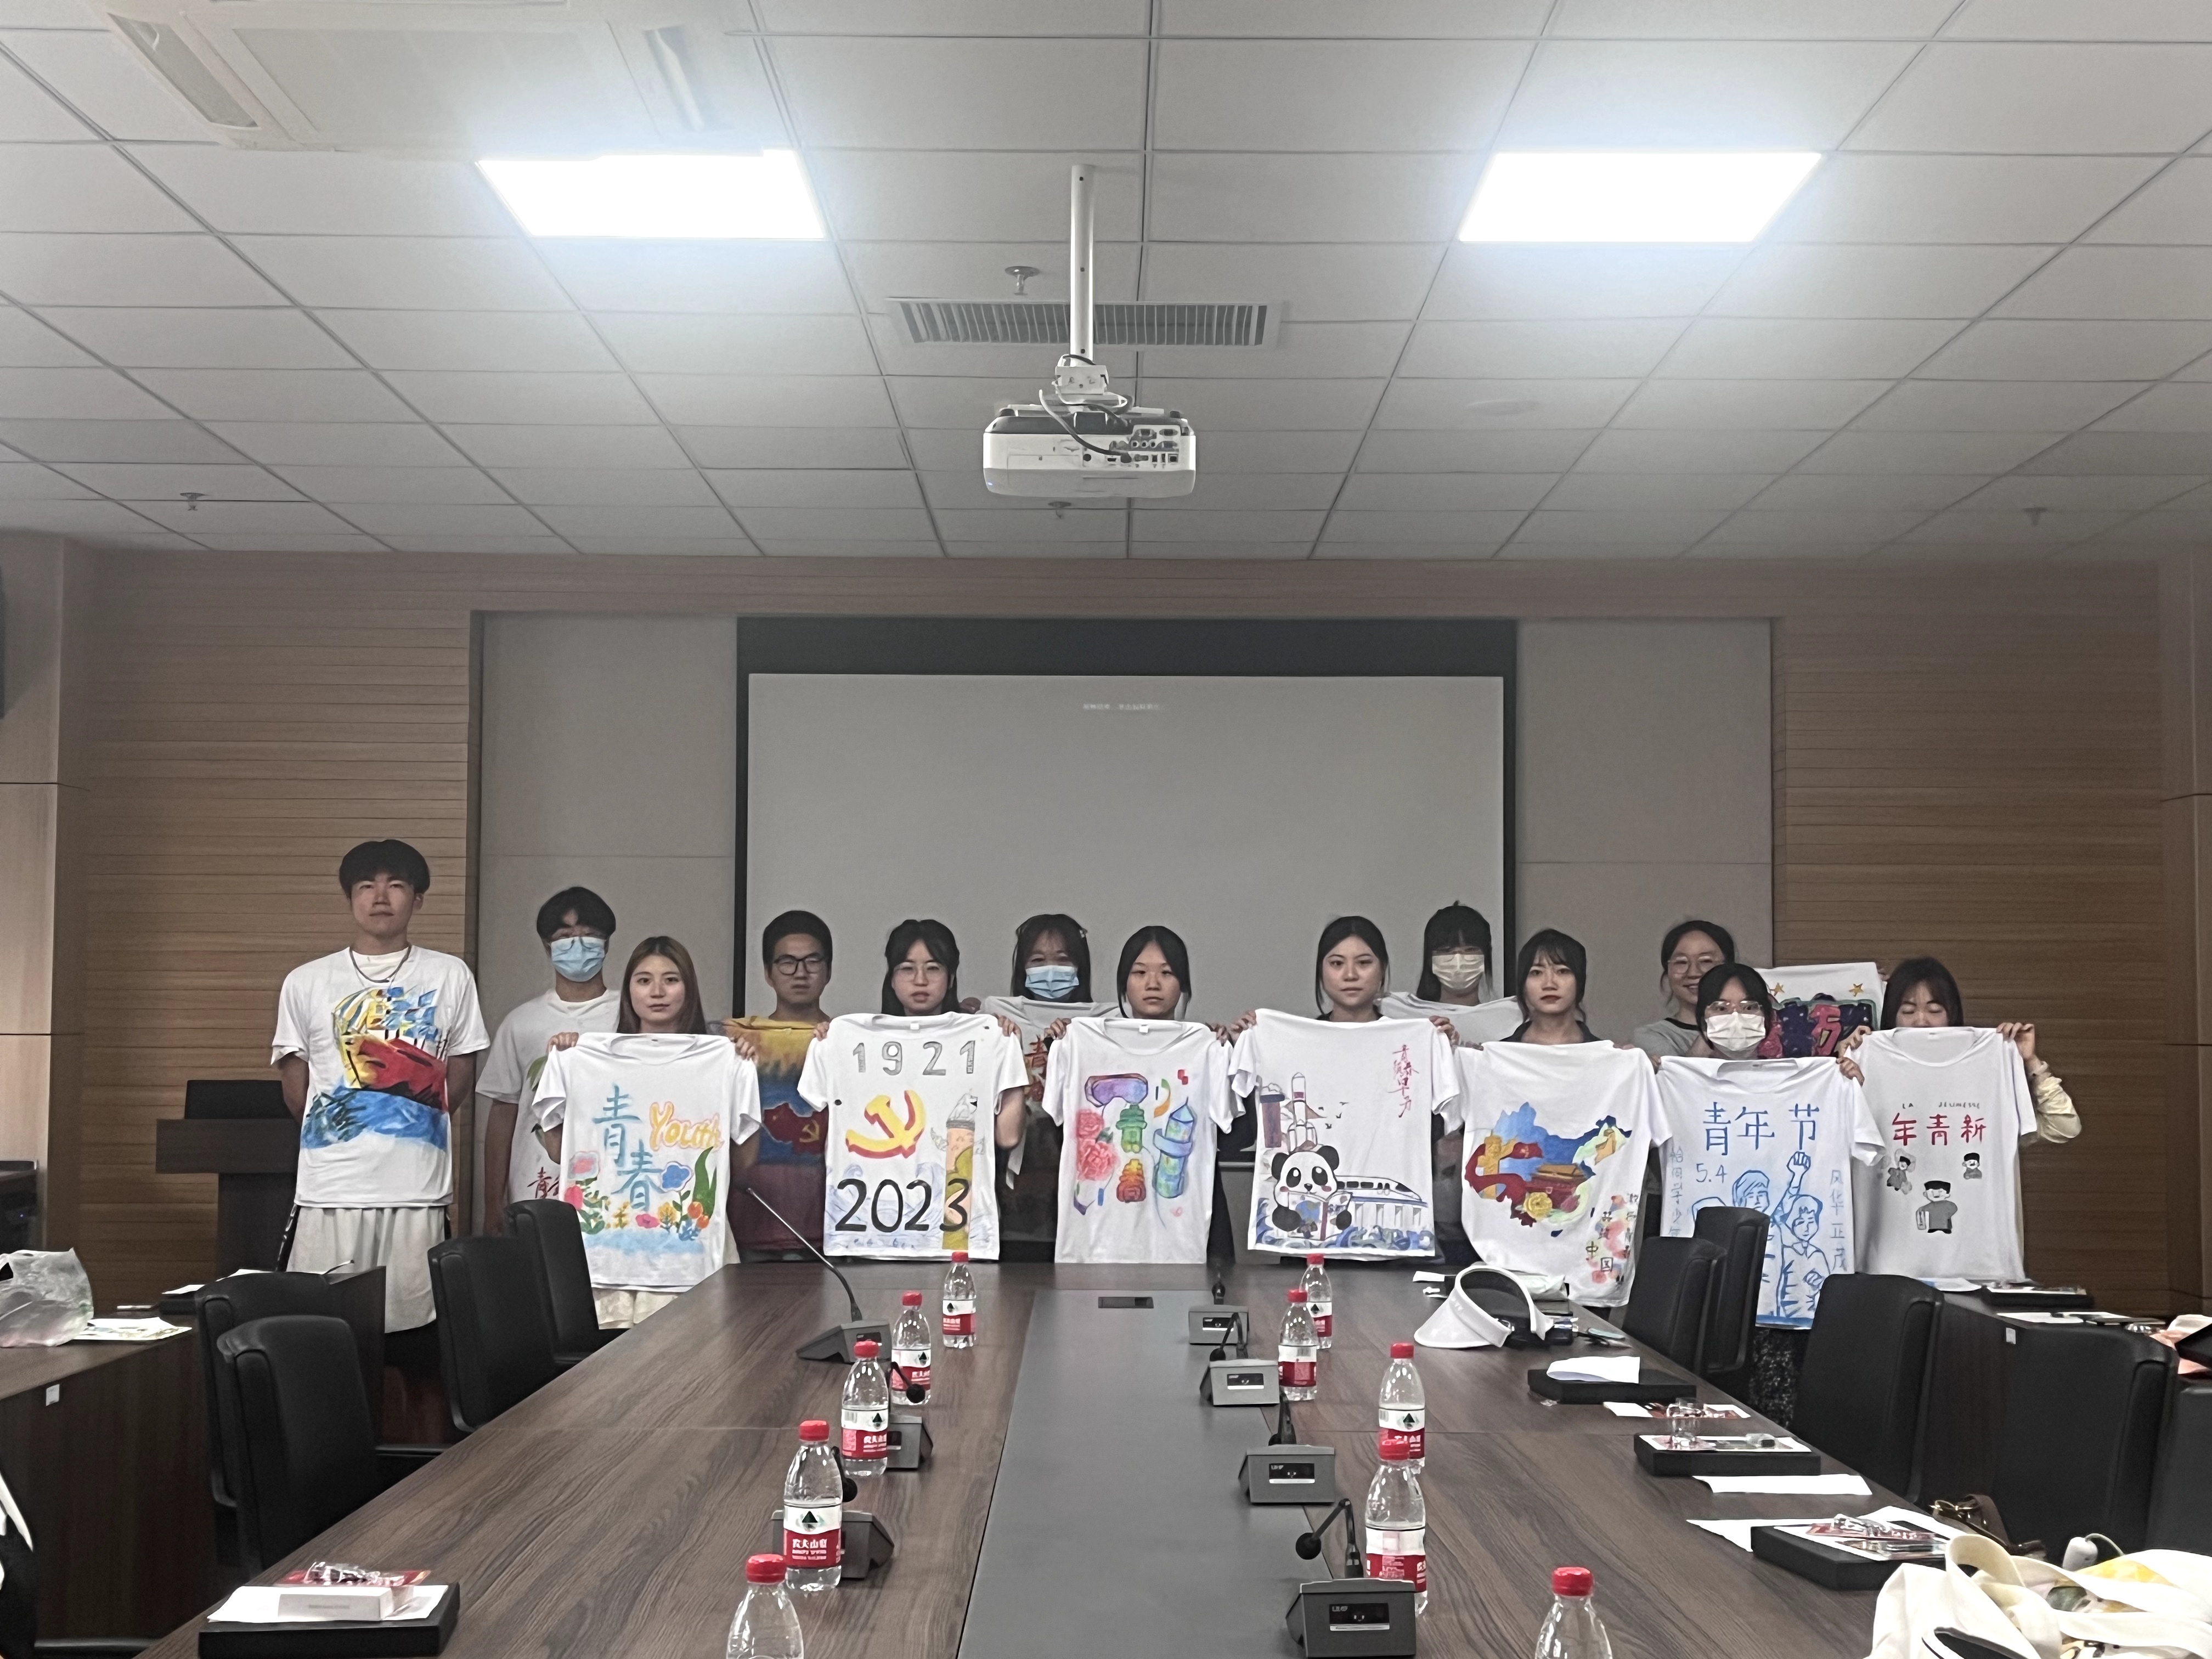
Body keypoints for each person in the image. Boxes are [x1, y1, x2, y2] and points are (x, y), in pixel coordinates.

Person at [271, 838, 490, 1426]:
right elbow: (296, 1086)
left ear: (418, 899)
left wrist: (417, 1123)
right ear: (350, 898)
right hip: (329, 1193)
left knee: (418, 1347)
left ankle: (421, 1461)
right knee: (324, 1342)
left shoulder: (449, 975)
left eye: (396, 885)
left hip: (416, 1190)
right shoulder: (307, 982)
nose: (381, 896)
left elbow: (461, 1071)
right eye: (367, 885)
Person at [538, 934, 756, 1328]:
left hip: (692, 1257)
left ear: (689, 988)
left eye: (671, 980)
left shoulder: (722, 1058)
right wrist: (567, 1061)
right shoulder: (586, 1057)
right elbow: (558, 1151)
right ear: (629, 991)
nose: (657, 992)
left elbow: (743, 1163)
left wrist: (741, 1066)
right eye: (643, 980)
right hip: (607, 1261)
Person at [478, 887, 619, 1234]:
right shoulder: (520, 1022)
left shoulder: (629, 1015)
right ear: (547, 946)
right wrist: (493, 1202)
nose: (578, 945)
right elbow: (504, 1113)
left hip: (615, 1188)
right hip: (536, 1188)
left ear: (606, 944)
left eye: (589, 935)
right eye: (565, 937)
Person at [981, 914, 1113, 1257]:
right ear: (1022, 968)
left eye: (1063, 960)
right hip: (1010, 1186)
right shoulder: (997, 1017)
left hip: (1083, 1184)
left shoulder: (1106, 1023)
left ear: (1081, 966)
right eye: (1037, 961)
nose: (1050, 971)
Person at [1847, 955, 2080, 1143]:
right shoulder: (1869, 1068)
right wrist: (1846, 1069)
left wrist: (2029, 1061)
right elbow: (1835, 1139)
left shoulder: (1986, 1068)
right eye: (1908, 1011)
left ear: (1952, 1015)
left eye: (1934, 1010)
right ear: (1892, 1017)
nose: (1921, 1021)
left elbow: (2064, 1127)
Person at [727, 911, 834, 1259]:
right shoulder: (731, 1039)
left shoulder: (849, 1041)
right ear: (768, 972)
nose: (800, 973)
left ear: (828, 971)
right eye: (787, 962)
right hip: (748, 1223)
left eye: (812, 961)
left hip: (833, 1229)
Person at [1379, 902, 1520, 1043]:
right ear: (1430, 959)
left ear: (1486, 956)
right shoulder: (1404, 1016)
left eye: (1470, 950)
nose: (1458, 960)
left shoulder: (1509, 1020)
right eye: (1446, 951)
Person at [1631, 919, 1737, 1059]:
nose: (1693, 973)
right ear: (1667, 971)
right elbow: (1675, 1074)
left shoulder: (1755, 1027)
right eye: (1681, 962)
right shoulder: (1651, 1036)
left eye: (1706, 961)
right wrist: (1709, 1033)